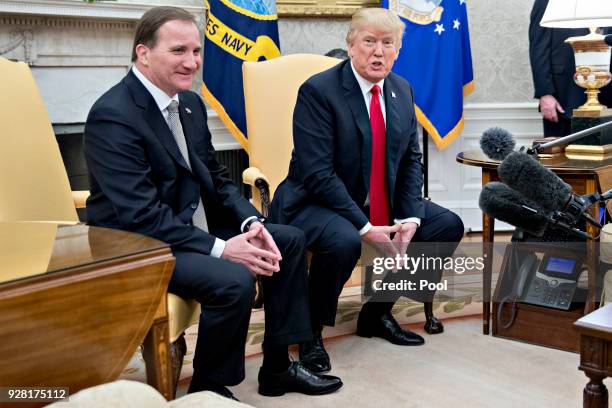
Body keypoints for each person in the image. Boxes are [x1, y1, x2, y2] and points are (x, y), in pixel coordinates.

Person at [83, 6, 342, 400]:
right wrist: (222, 249)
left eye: (197, 51)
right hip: (140, 244)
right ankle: (210, 386)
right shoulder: (113, 115)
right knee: (233, 279)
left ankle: (277, 368)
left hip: (189, 229)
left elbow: (216, 181)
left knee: (285, 239)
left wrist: (252, 225)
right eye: (178, 51)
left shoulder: (188, 104)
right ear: (143, 53)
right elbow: (140, 215)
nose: (192, 62)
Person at [270, 8, 464, 374]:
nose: (378, 52)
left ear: (398, 49)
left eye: (387, 43)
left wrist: (408, 217)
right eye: (369, 42)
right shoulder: (319, 91)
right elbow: (317, 174)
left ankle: (376, 312)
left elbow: (410, 161)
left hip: (378, 199)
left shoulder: (401, 89)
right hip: (313, 200)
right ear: (351, 45)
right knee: (344, 239)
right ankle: (310, 331)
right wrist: (364, 226)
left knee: (443, 225)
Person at [529, 0, 612, 137]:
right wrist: (545, 94)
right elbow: (539, 49)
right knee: (563, 155)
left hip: (608, 96)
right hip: (564, 98)